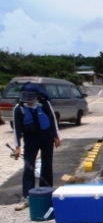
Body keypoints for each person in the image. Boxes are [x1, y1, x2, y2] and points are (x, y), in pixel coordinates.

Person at [13, 83, 61, 211]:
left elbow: (52, 120)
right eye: (25, 96)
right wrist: (17, 146)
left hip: (46, 138)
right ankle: (27, 197)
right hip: (30, 139)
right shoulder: (19, 108)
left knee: (47, 166)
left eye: (30, 97)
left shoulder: (44, 104)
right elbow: (17, 129)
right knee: (29, 168)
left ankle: (47, 193)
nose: (28, 100)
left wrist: (56, 136)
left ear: (36, 95)